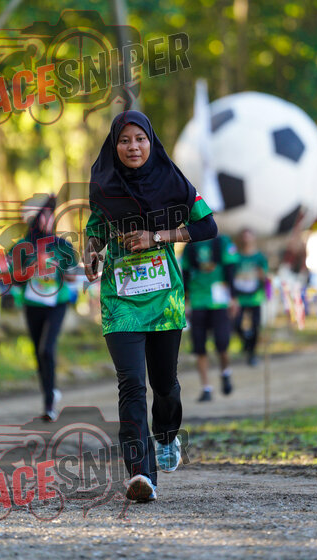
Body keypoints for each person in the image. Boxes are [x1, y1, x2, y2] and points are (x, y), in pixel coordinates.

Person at [83, 111, 217, 503]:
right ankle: (141, 474)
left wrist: (157, 236)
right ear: (114, 146)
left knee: (165, 385)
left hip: (163, 300)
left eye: (140, 139)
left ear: (151, 141)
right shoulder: (104, 187)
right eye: (124, 140)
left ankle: (167, 436)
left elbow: (207, 226)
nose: (133, 147)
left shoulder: (173, 183)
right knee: (131, 385)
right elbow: (95, 231)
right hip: (120, 303)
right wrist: (91, 252)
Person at [8, 194, 78, 421]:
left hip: (57, 303)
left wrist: (57, 268)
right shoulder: (21, 247)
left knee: (47, 349)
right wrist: (33, 268)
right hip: (32, 304)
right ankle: (49, 393)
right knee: (39, 353)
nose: (48, 221)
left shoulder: (62, 245)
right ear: (34, 219)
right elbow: (13, 279)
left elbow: (72, 277)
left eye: (51, 216)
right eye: (43, 216)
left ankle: (49, 404)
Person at [181, 234, 239, 401]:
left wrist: (233, 298)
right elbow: (185, 274)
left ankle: (225, 372)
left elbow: (230, 270)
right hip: (198, 301)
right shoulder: (189, 246)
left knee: (222, 344)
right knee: (199, 347)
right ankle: (206, 388)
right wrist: (185, 301)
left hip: (219, 301)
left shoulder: (223, 242)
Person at [233, 228, 268, 365]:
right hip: (240, 297)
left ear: (254, 238)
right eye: (244, 237)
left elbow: (265, 276)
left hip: (255, 297)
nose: (246, 239)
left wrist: (261, 275)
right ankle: (246, 342)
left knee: (255, 326)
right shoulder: (237, 257)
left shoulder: (259, 257)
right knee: (236, 324)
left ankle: (252, 353)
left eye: (249, 236)